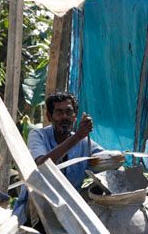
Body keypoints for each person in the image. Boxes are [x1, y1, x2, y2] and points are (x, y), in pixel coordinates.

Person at [13, 91, 104, 225]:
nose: (64, 117)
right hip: (35, 213)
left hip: (69, 212)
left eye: (69, 112)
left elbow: (106, 159)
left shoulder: (85, 144)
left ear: (75, 117)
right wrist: (77, 137)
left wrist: (119, 158)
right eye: (59, 112)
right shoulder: (38, 135)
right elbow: (41, 165)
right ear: (49, 116)